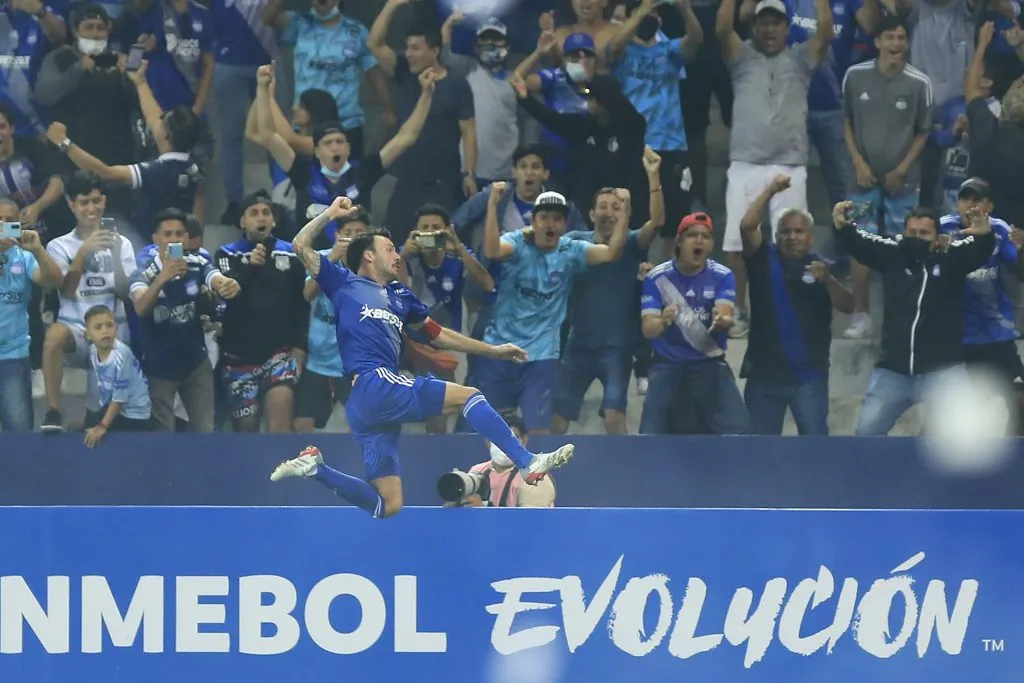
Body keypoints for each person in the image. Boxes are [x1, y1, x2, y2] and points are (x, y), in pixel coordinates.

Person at [269, 196, 575, 519]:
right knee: (469, 396)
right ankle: (527, 462)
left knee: (388, 505)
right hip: (373, 381)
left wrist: (492, 350)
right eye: (390, 249)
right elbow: (300, 244)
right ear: (369, 255)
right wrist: (330, 214)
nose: (397, 255)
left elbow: (438, 334)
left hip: (369, 404)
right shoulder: (343, 281)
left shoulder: (401, 297)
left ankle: (316, 469)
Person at [830, 200, 996, 435]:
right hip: (893, 371)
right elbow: (861, 244)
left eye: (924, 233)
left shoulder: (951, 257)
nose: (917, 238)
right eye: (912, 232)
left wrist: (984, 235)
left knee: (966, 436)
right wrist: (843, 227)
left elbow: (979, 251)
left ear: (937, 236)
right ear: (903, 232)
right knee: (866, 435)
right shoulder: (892, 254)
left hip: (943, 370)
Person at [738, 175, 853, 435]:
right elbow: (747, 226)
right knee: (759, 450)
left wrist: (829, 280)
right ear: (776, 236)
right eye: (786, 232)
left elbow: (848, 306)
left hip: (809, 378)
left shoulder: (824, 267)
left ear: (810, 238)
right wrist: (770, 190)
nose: (792, 237)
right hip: (764, 378)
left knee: (814, 449)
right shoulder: (762, 260)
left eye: (799, 231)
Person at [0, 199, 62, 432]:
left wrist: (38, 250)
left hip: (12, 356)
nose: (3, 225)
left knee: (19, 433)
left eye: (9, 221)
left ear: (18, 225)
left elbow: (54, 281)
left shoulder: (24, 257)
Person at [447, 413, 557, 508]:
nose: (503, 445)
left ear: (524, 440)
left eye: (510, 438)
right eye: (496, 438)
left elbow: (530, 523)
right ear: (487, 441)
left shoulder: (535, 477)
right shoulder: (477, 471)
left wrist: (483, 513)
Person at [81, 303, 152, 447]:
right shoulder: (92, 352)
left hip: (135, 413)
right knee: (87, 430)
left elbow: (119, 398)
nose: (105, 331)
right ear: (88, 334)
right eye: (98, 327)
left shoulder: (122, 355)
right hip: (114, 406)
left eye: (109, 325)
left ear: (116, 328)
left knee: (105, 439)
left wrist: (102, 425)